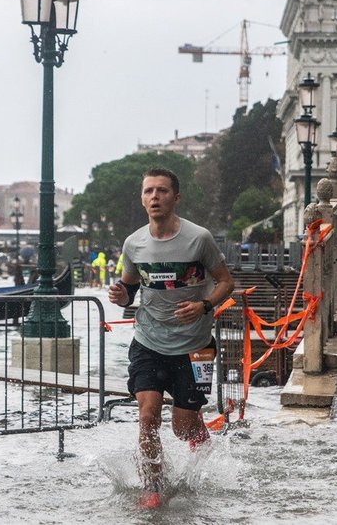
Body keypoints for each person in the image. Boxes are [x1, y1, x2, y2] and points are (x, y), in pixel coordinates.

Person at [107, 168, 235, 509]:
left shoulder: (199, 238)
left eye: (162, 191)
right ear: (142, 198)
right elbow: (131, 287)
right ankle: (153, 487)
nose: (154, 197)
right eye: (148, 191)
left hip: (196, 347)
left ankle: (201, 445)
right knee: (148, 415)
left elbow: (226, 282)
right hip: (149, 340)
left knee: (182, 427)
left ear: (175, 197)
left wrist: (204, 304)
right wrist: (121, 295)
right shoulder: (134, 242)